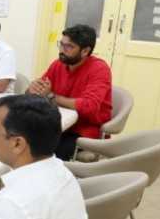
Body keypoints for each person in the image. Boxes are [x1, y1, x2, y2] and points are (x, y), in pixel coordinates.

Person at [27, 24, 112, 160]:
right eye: (61, 44)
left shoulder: (99, 69)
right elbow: (39, 91)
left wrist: (50, 96)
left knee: (42, 154)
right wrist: (31, 90)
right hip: (57, 123)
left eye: (69, 47)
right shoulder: (59, 64)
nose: (62, 50)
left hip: (84, 130)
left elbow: (89, 106)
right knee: (21, 140)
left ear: (85, 51)